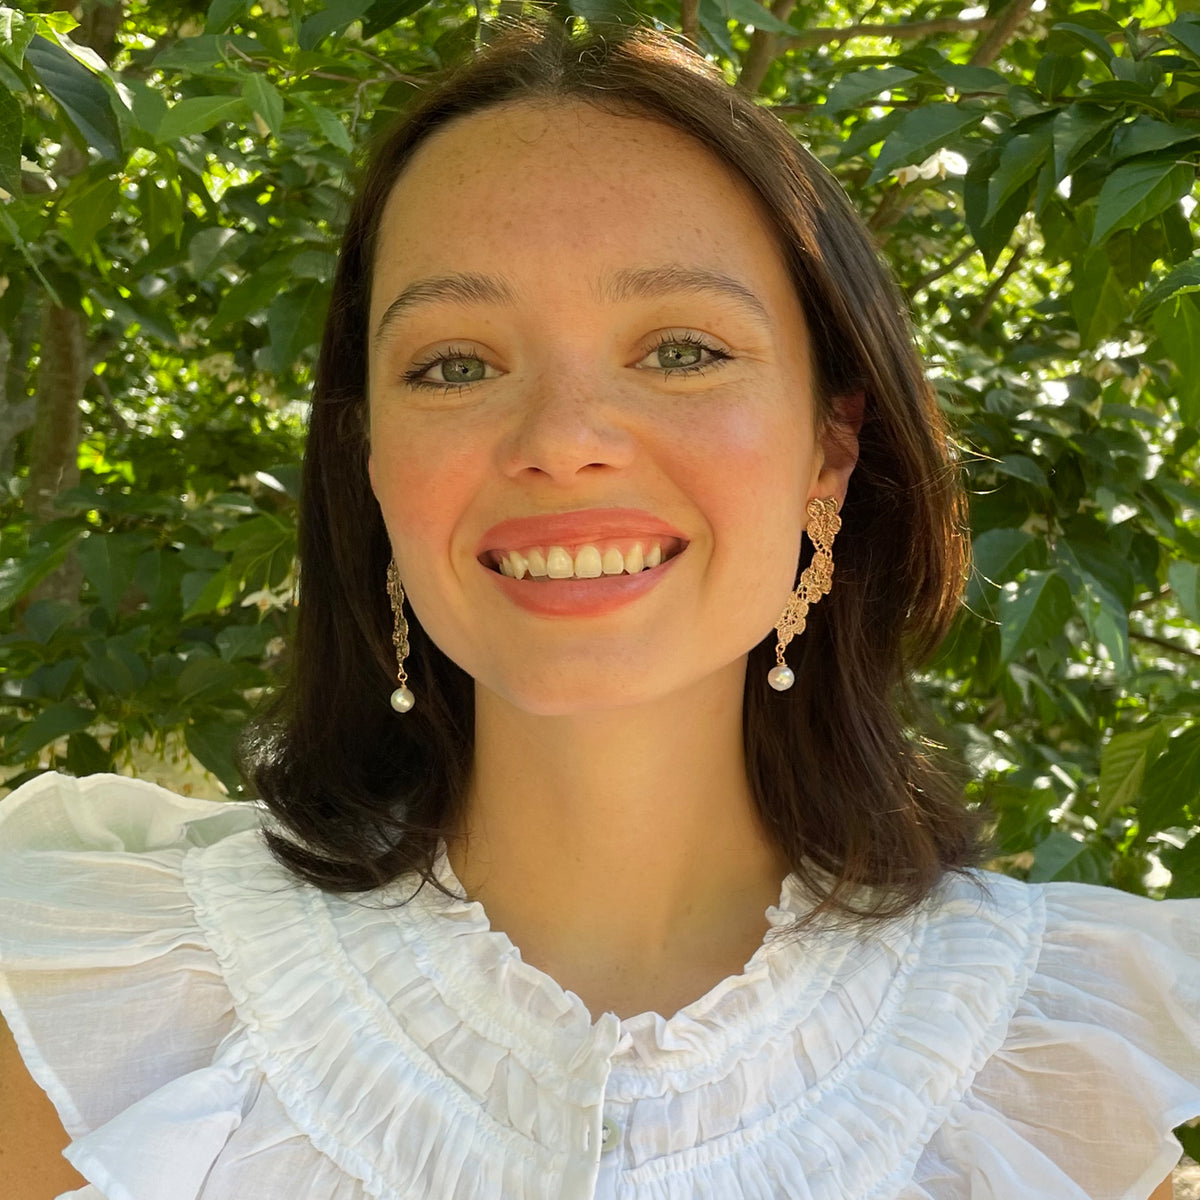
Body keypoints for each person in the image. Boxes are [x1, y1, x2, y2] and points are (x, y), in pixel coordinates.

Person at [0, 13, 1196, 1200]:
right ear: (369, 460)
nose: (563, 439)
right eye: (453, 364)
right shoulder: (89, 1018)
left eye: (680, 349)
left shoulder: (1064, 1086)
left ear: (830, 449)